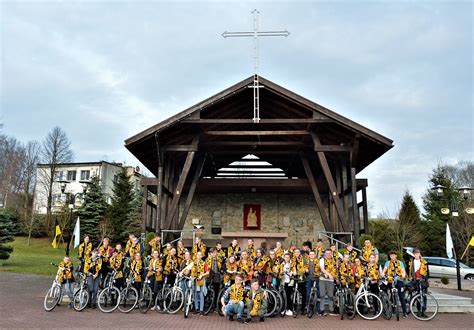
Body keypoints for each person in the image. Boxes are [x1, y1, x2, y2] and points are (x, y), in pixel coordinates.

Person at [382, 251, 408, 318]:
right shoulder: (387, 263)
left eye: (393, 255)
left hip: (399, 280)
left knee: (401, 296)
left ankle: (405, 312)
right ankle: (393, 311)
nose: (392, 257)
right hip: (391, 281)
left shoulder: (400, 262)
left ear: (396, 255)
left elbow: (403, 271)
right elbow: (384, 271)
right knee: (392, 296)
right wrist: (383, 274)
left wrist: (403, 275)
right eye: (391, 255)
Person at [408, 248, 429, 318]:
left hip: (423, 281)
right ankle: (418, 311)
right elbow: (409, 271)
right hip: (415, 281)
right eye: (415, 254)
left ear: (420, 254)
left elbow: (427, 272)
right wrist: (410, 278)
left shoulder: (424, 262)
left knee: (424, 296)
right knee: (418, 296)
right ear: (413, 254)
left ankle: (424, 311)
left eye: (418, 253)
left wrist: (426, 279)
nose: (417, 255)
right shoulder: (411, 262)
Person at [319, 248, 337, 316]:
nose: (328, 254)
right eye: (327, 253)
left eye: (329, 253)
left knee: (330, 295)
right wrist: (329, 274)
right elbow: (322, 268)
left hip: (331, 280)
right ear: (325, 254)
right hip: (323, 279)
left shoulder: (334, 260)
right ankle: (322, 310)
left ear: (331, 253)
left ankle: (331, 310)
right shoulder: (322, 260)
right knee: (322, 295)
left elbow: (336, 269)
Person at [192, 251, 209, 315]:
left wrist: (202, 275)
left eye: (200, 255)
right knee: (195, 294)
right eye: (198, 255)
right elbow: (188, 268)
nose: (199, 256)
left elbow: (208, 272)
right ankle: (196, 309)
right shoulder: (193, 262)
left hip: (201, 280)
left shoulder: (204, 263)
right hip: (194, 280)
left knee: (201, 294)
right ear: (196, 255)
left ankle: (201, 310)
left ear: (202, 256)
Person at [305, 250, 320, 315]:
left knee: (318, 294)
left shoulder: (317, 262)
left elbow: (320, 269)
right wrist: (305, 270)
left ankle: (318, 310)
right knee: (308, 293)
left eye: (313, 254)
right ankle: (308, 307)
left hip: (316, 279)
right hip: (309, 279)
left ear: (314, 255)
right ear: (309, 255)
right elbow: (302, 268)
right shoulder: (306, 262)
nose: (311, 255)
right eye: (310, 254)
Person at [294, 248, 308, 315]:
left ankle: (302, 309)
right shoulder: (292, 259)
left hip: (301, 278)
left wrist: (305, 270)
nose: (297, 253)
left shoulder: (303, 259)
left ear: (299, 253)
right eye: (295, 252)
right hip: (293, 278)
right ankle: (293, 308)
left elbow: (306, 267)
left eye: (298, 252)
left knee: (304, 293)